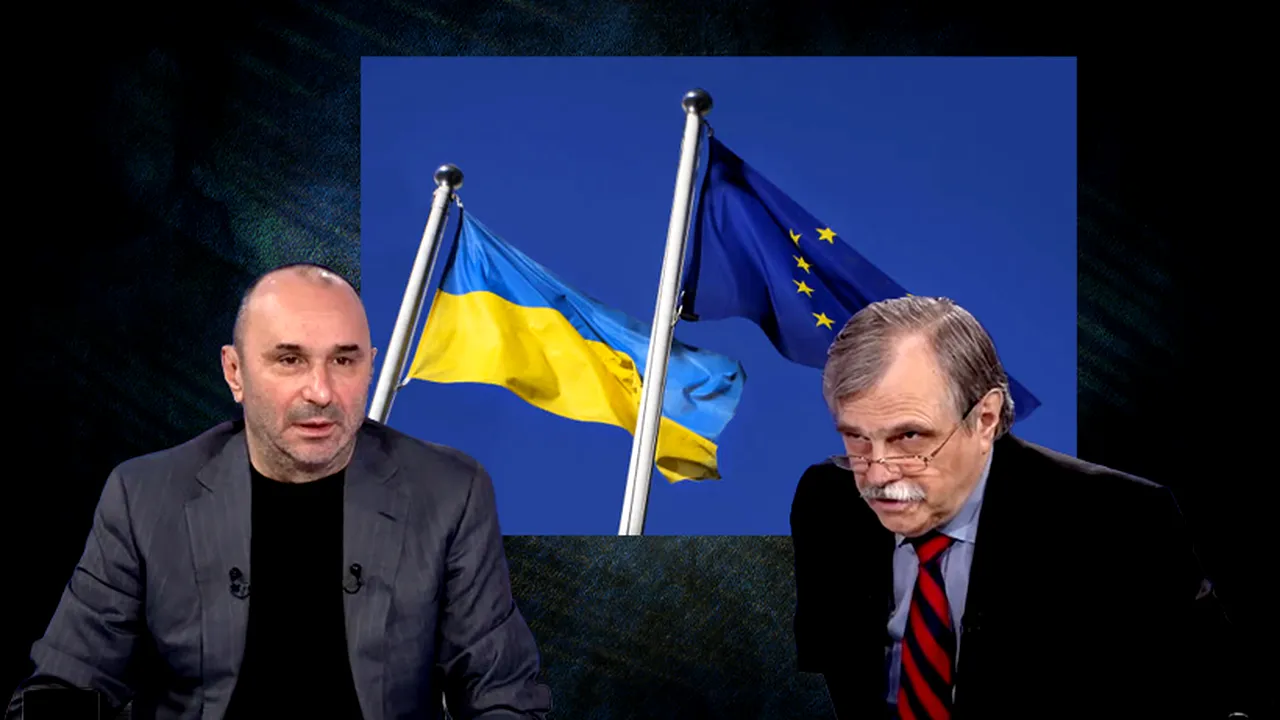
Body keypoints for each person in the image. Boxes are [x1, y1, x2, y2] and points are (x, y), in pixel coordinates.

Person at [7, 263, 552, 719]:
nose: (321, 391)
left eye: (344, 360)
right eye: (290, 360)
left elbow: (504, 697)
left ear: (370, 368)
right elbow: (65, 684)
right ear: (235, 372)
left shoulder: (451, 493)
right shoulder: (144, 496)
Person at [790, 295, 1249, 719]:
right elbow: (838, 670)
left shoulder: (1120, 520)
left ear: (985, 418)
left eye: (908, 437)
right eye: (857, 438)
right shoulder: (828, 502)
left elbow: (1215, 697)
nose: (877, 476)